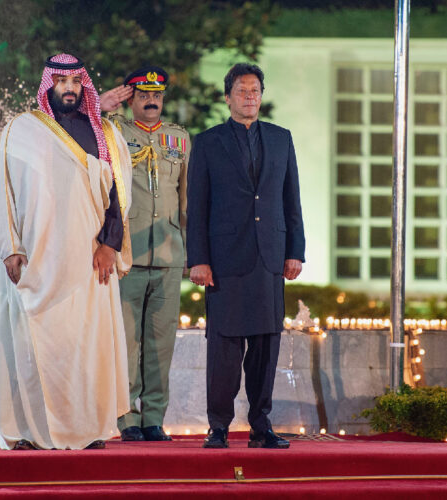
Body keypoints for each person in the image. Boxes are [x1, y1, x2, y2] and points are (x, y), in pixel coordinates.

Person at [0, 53, 133, 450]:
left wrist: (110, 244)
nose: (69, 89)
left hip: (90, 261)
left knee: (87, 345)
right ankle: (29, 430)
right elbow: (3, 190)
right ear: (48, 85)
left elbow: (119, 196)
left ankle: (88, 429)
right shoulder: (21, 129)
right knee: (34, 346)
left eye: (75, 82)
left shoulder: (104, 132)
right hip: (35, 260)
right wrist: (10, 248)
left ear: (83, 85)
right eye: (61, 82)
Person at [186, 63, 305, 449]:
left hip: (269, 258)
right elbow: (197, 206)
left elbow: (291, 200)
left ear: (261, 96)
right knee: (224, 348)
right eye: (242, 91)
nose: (249, 97)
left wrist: (295, 251)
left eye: (255, 91)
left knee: (266, 348)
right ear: (228, 97)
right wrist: (198, 259)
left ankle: (261, 426)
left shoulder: (281, 139)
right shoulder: (208, 142)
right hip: (224, 261)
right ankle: (218, 427)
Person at [110, 66, 189, 442]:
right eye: (143, 95)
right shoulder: (115, 132)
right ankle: (126, 416)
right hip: (128, 254)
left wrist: (192, 251)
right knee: (126, 342)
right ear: (132, 99)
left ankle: (154, 416)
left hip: (169, 253)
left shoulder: (180, 138)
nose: (151, 101)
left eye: (156, 95)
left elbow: (186, 198)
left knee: (161, 343)